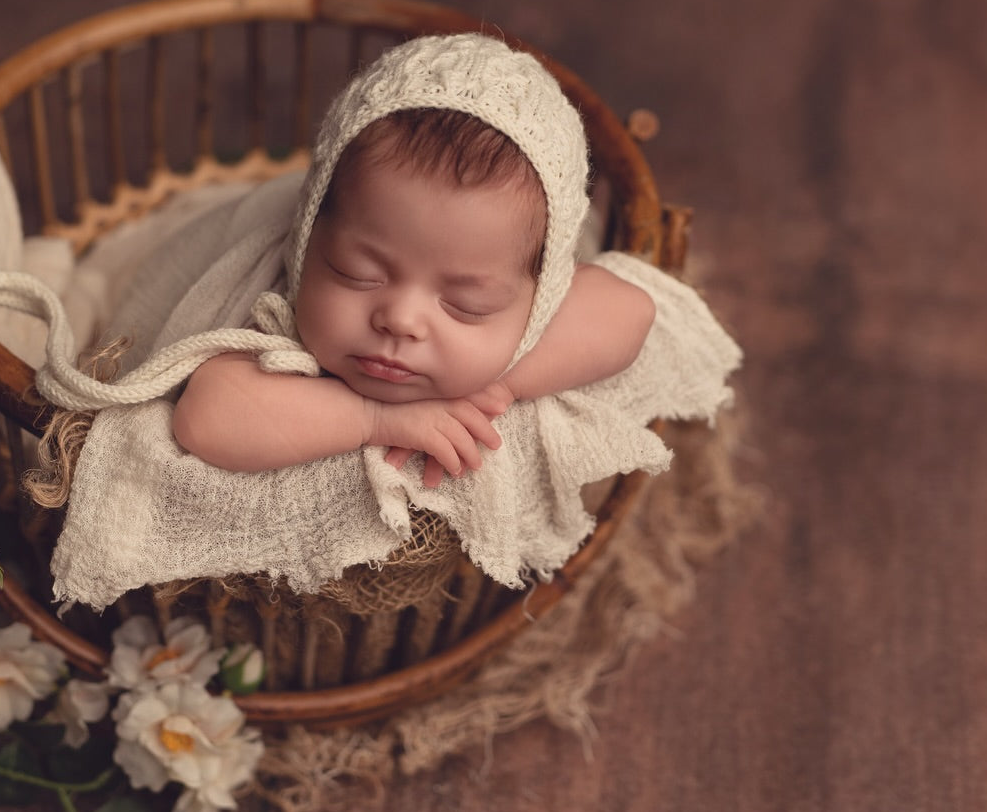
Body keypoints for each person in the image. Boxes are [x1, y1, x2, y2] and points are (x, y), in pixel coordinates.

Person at [172, 35, 656, 488]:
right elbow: (204, 418)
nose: (400, 320)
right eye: (356, 274)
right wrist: (374, 418)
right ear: (309, 240)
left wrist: (500, 385)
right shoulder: (275, 306)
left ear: (541, 297)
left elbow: (631, 310)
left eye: (466, 305)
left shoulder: (528, 299)